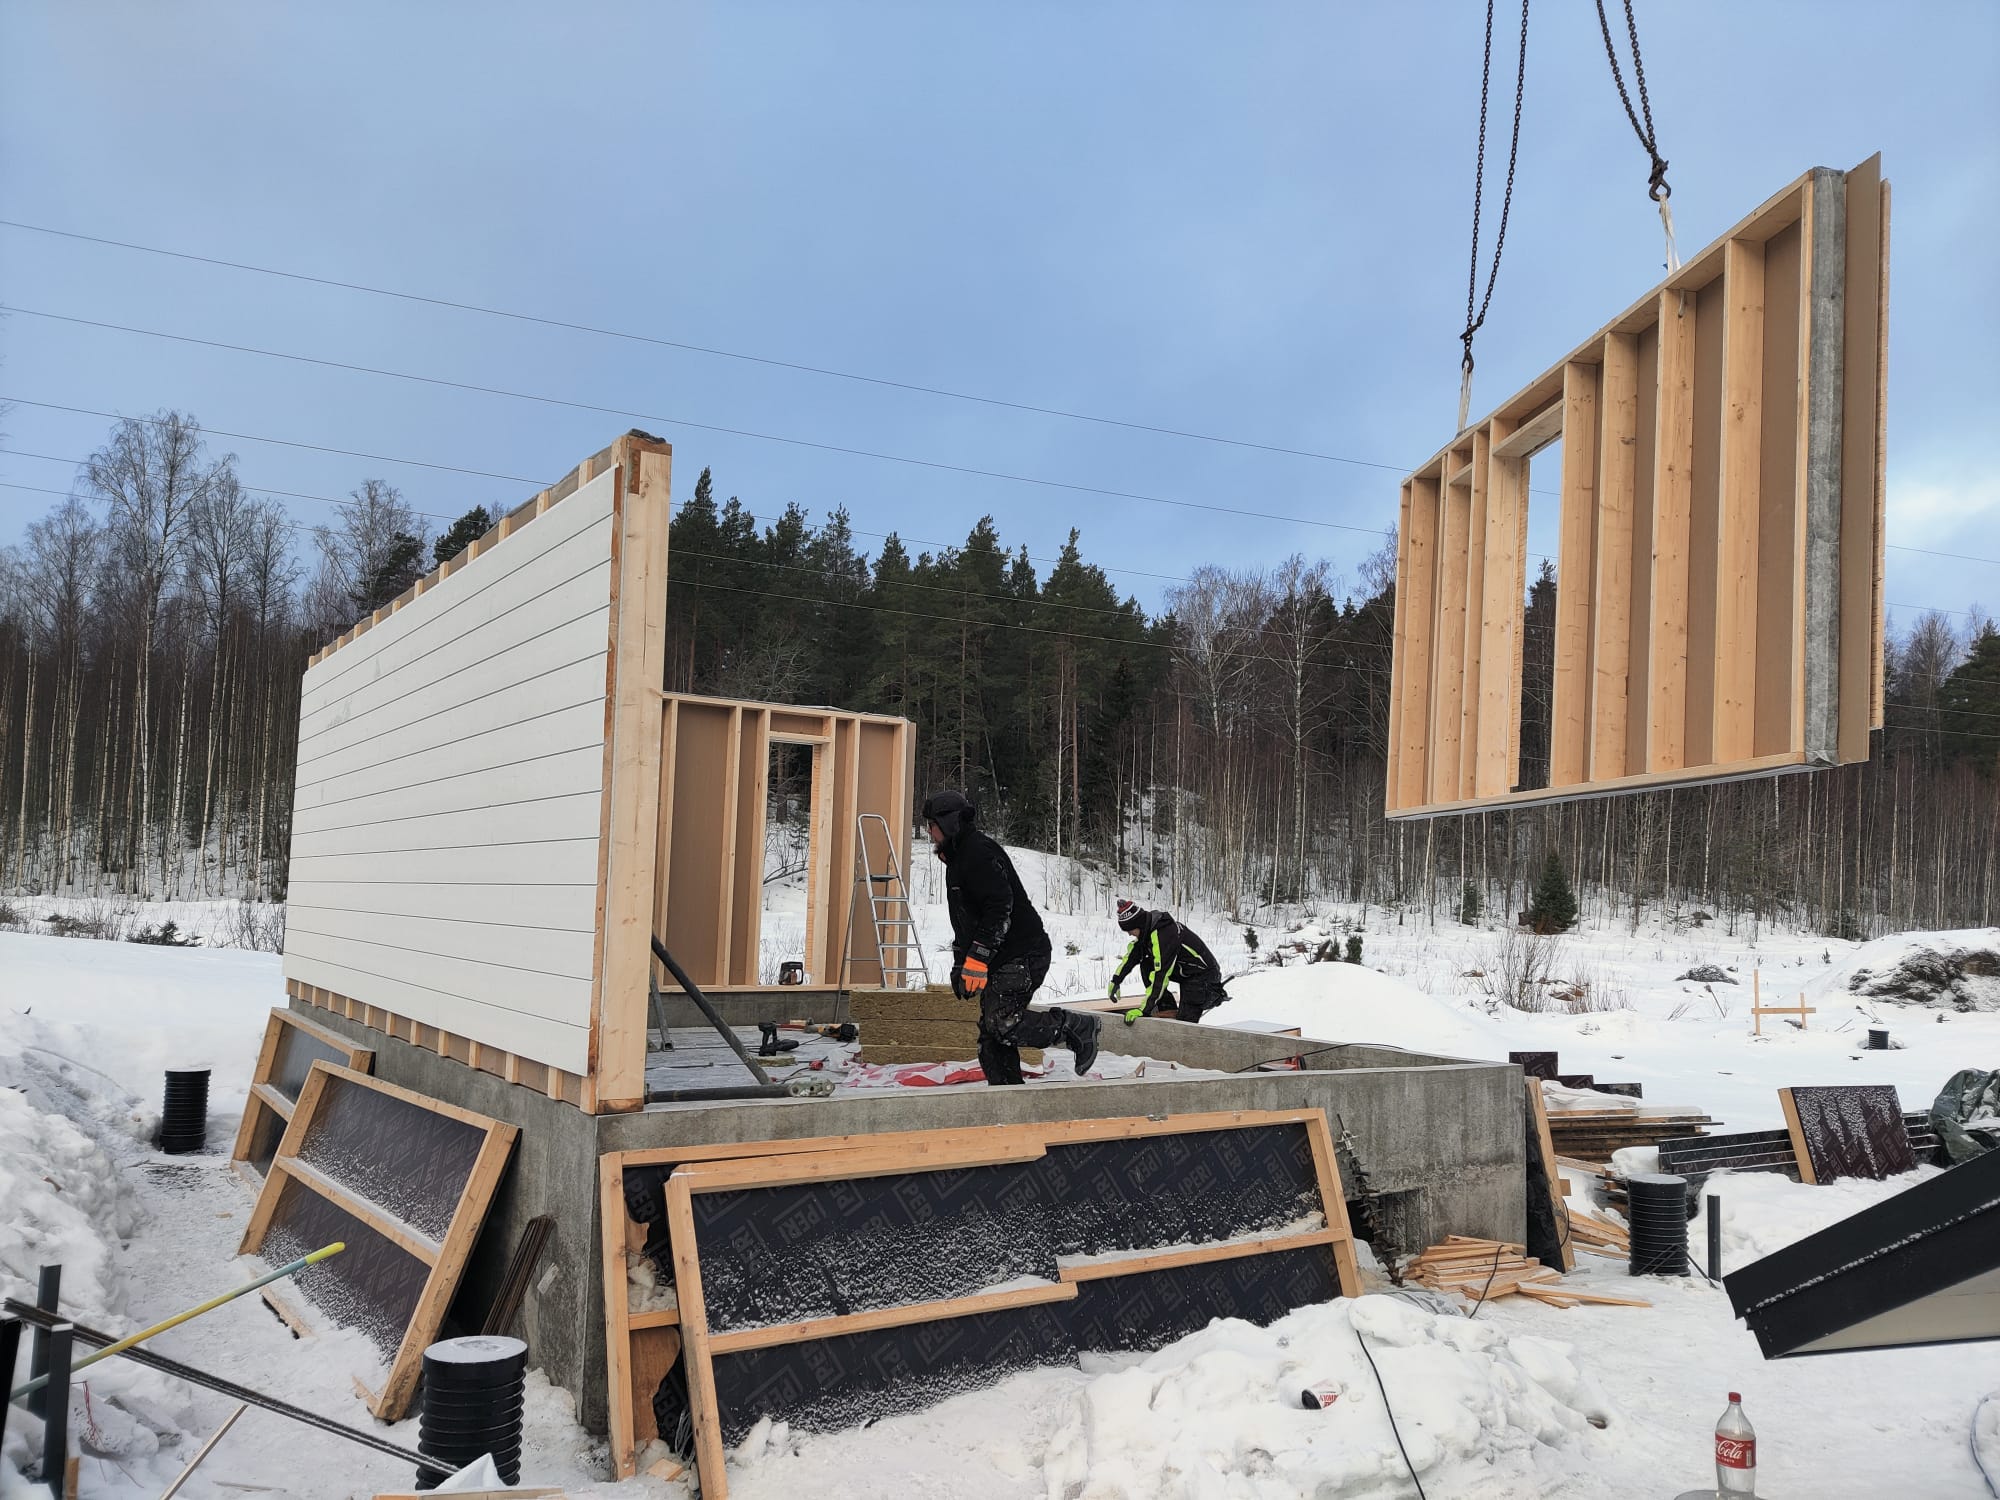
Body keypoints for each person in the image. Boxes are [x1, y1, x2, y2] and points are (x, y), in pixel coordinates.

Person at [922, 790, 1100, 1086]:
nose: (929, 831)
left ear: (949, 823)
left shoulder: (978, 853)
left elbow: (999, 906)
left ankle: (1074, 1027)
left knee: (1002, 1023)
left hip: (1023, 953)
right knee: (992, 1037)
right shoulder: (957, 860)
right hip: (1002, 955)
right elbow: (965, 925)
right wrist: (960, 964)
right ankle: (1007, 1100)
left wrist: (977, 958)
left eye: (932, 824)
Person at [1108, 898, 1230, 1024]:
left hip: (1203, 976)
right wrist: (1116, 980)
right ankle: (1167, 1007)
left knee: (1184, 1026)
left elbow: (1161, 974)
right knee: (1146, 963)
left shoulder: (1164, 935)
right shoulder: (1148, 931)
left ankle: (1182, 1016)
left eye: (1130, 930)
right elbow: (1133, 955)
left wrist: (1144, 1010)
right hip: (1186, 971)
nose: (1129, 934)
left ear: (1137, 924)